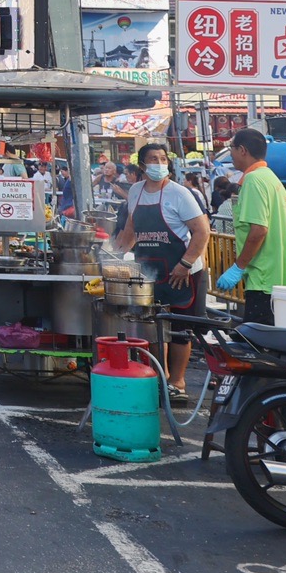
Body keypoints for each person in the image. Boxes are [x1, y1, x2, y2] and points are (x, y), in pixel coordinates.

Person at [112, 143, 210, 400]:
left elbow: (202, 231)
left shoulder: (180, 194)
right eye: (153, 159)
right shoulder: (136, 191)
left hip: (183, 271)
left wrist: (186, 264)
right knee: (154, 325)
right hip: (151, 269)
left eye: (163, 158)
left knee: (179, 329)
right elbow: (131, 227)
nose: (159, 163)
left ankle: (177, 383)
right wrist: (116, 255)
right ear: (142, 166)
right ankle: (160, 377)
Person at [216, 127, 286, 324]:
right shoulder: (269, 177)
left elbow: (259, 230)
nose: (230, 154)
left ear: (242, 150)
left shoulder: (254, 180)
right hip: (281, 278)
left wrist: (237, 267)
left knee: (259, 347)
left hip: (265, 280)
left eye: (230, 148)